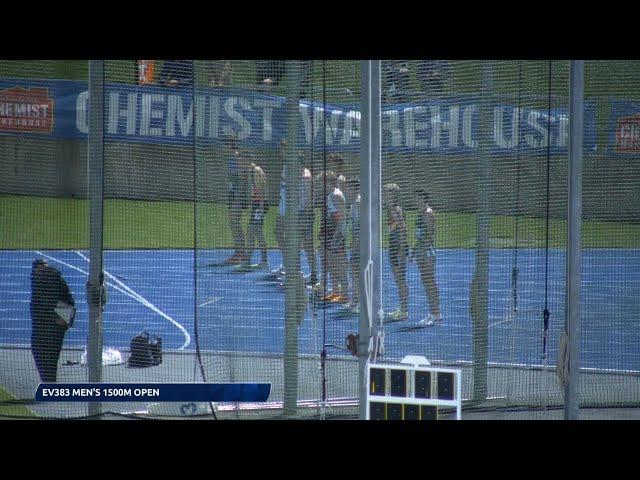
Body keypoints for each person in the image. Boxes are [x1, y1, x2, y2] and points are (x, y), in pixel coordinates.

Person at [30, 259, 75, 383]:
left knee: (49, 355)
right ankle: (48, 383)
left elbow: (69, 301)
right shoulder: (37, 282)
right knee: (42, 352)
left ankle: (49, 385)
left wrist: (64, 320)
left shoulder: (54, 281)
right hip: (41, 325)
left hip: (52, 326)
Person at [414, 189, 442, 326]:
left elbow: (429, 234)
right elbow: (419, 235)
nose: (415, 200)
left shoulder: (428, 213)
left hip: (427, 251)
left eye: (417, 198)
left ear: (423, 198)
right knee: (426, 281)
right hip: (420, 250)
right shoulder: (420, 214)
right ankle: (433, 312)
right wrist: (415, 251)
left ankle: (436, 313)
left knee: (430, 281)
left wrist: (423, 250)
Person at [320, 171, 349, 304]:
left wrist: (336, 237)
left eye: (321, 182)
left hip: (336, 234)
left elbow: (342, 218)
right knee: (330, 264)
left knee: (339, 265)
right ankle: (335, 291)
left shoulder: (336, 195)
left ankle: (344, 295)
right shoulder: (330, 195)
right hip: (329, 232)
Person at [223, 138, 252, 265]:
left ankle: (241, 253)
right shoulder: (230, 158)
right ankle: (239, 251)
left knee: (235, 222)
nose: (223, 148)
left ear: (230, 146)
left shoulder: (236, 158)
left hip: (239, 195)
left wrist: (240, 197)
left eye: (225, 145)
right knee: (233, 223)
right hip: (233, 193)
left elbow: (243, 178)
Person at [383, 183, 409, 321]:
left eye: (387, 193)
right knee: (399, 279)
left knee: (400, 279)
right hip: (395, 245)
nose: (384, 195)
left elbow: (404, 229)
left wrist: (400, 249)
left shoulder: (395, 209)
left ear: (392, 194)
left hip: (398, 247)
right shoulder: (391, 209)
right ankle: (402, 309)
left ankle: (404, 310)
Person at [242, 159, 269, 270]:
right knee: (251, 231)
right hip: (256, 203)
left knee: (256, 231)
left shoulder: (256, 171)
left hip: (259, 204)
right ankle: (248, 259)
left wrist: (261, 206)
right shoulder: (251, 171)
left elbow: (262, 188)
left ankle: (264, 260)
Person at [345, 178, 361, 313]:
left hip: (360, 243)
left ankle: (359, 301)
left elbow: (362, 226)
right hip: (356, 241)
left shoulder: (359, 202)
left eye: (349, 188)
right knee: (354, 271)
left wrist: (356, 242)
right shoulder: (354, 203)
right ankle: (355, 300)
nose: (346, 190)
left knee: (356, 272)